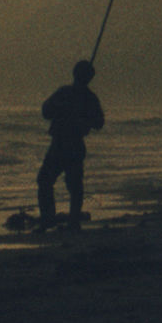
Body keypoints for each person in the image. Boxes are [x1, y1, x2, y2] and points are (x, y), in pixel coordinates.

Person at [37, 59, 104, 230]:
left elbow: (98, 122)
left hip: (63, 143)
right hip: (68, 144)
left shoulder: (69, 93)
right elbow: (47, 111)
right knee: (70, 184)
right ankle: (66, 220)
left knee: (52, 181)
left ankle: (53, 219)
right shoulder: (86, 97)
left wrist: (81, 118)